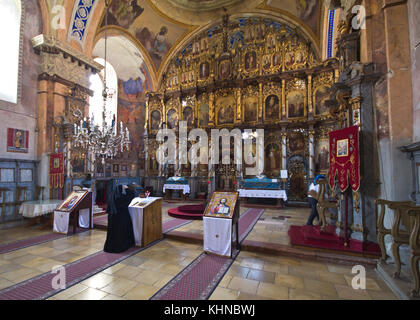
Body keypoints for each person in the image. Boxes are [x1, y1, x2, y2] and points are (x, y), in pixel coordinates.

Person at [104, 184, 136, 253]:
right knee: (120, 233)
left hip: (111, 219)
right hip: (120, 219)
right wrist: (127, 189)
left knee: (111, 234)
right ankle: (119, 247)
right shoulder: (121, 198)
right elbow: (131, 195)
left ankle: (109, 248)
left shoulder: (111, 198)